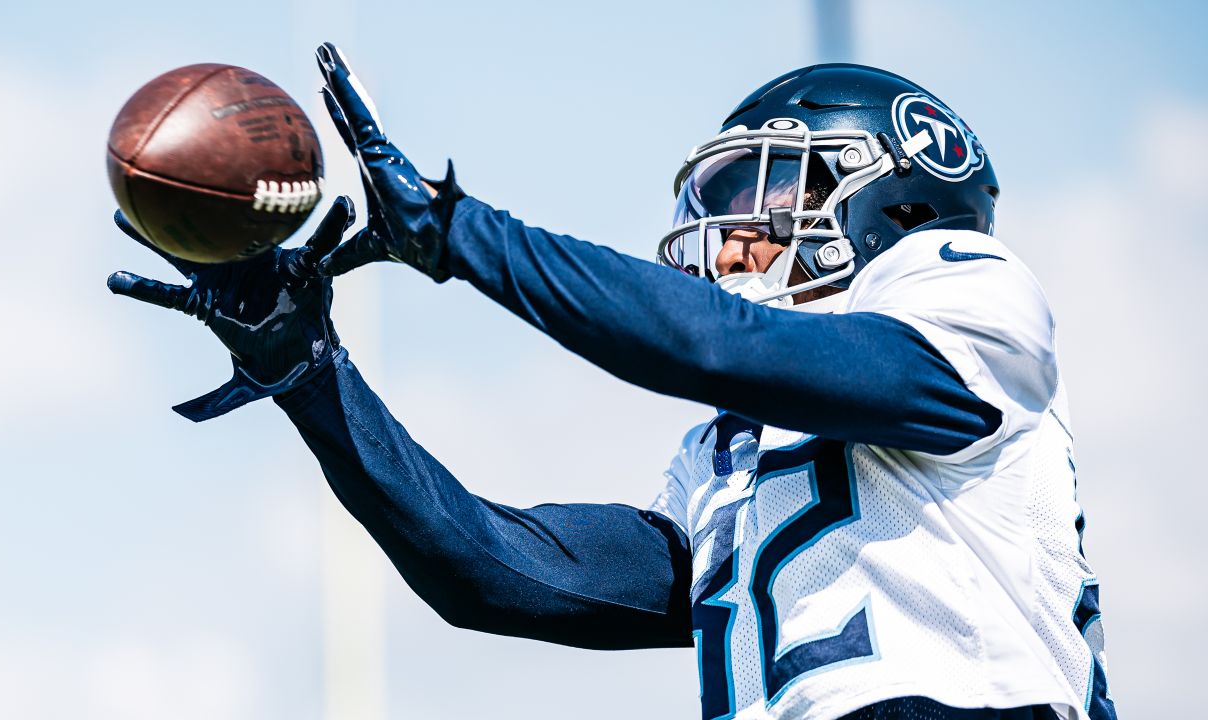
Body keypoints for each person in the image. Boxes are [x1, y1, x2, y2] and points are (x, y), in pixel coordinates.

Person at [106, 42, 1117, 720]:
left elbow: (717, 346)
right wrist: (305, 372)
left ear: (892, 190)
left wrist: (462, 234)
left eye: (758, 185)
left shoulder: (967, 294)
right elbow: (492, 571)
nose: (728, 232)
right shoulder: (728, 456)